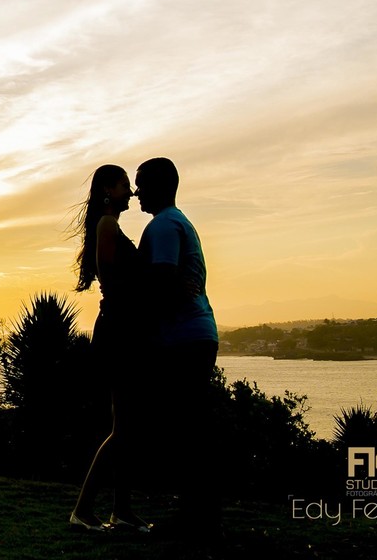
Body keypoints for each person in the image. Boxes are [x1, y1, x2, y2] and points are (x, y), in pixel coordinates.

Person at [134, 157, 221, 540]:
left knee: (185, 430)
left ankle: (194, 516)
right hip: (196, 333)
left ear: (158, 184)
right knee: (191, 428)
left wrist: (143, 330)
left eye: (141, 183)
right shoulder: (179, 221)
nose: (136, 191)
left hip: (183, 338)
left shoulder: (164, 225)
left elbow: (162, 284)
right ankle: (199, 512)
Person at [68, 164, 154, 533]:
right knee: (125, 428)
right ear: (107, 190)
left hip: (123, 328)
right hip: (119, 331)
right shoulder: (106, 225)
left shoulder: (110, 226)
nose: (131, 192)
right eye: (124, 186)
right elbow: (114, 280)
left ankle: (121, 510)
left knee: (127, 426)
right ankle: (84, 510)